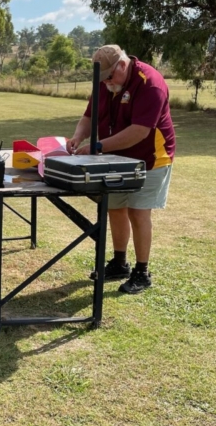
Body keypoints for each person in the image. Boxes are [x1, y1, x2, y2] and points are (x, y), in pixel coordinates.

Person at [66, 44, 175, 294]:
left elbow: (140, 131)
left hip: (150, 159)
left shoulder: (150, 83)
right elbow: (88, 116)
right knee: (114, 208)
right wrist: (77, 138)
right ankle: (119, 263)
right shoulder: (105, 83)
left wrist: (97, 146)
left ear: (122, 66)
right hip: (114, 158)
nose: (105, 83)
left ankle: (142, 272)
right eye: (101, 79)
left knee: (138, 212)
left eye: (109, 77)